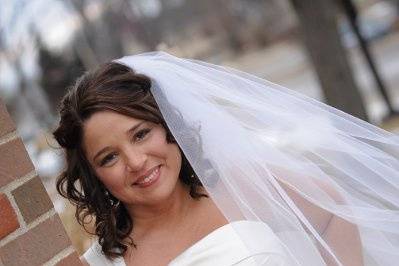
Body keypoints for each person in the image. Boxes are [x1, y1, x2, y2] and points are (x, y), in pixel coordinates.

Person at [53, 52, 399, 265]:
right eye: (109, 157)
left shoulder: (241, 189)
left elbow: (332, 211)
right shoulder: (104, 261)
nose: (137, 161)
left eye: (141, 134)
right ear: (95, 175)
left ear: (168, 125)